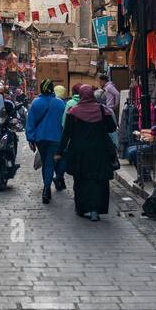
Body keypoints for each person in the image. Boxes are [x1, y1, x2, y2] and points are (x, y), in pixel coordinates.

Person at [56, 84, 116, 221]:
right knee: (98, 180)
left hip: (79, 153)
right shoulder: (101, 110)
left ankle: (82, 208)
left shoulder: (73, 112)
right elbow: (112, 128)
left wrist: (59, 151)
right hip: (99, 152)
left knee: (81, 180)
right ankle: (96, 210)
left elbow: (66, 134)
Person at [25, 79, 65, 204]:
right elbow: (64, 123)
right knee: (50, 163)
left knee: (47, 162)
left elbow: (30, 123)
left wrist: (31, 139)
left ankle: (47, 188)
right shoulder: (60, 103)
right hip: (56, 139)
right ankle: (47, 188)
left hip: (40, 139)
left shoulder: (35, 103)